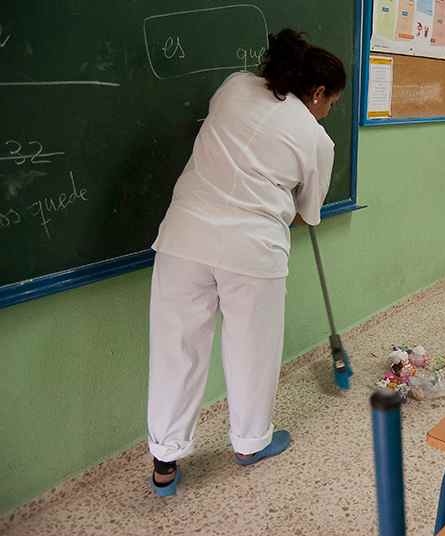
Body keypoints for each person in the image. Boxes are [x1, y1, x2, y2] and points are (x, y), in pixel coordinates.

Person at [146, 29, 346, 496]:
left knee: (176, 350)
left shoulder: (236, 86)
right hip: (252, 252)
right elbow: (305, 212)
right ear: (317, 92)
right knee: (251, 350)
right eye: (331, 103)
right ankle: (250, 443)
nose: (328, 112)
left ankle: (164, 460)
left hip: (184, 238)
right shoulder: (316, 139)